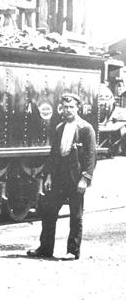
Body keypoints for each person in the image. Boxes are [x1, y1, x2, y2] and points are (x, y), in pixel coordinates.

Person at [27, 92, 96, 260]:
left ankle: (73, 251)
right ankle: (45, 248)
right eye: (65, 107)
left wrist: (85, 179)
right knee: (49, 212)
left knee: (76, 216)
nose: (68, 110)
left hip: (76, 178)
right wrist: (49, 176)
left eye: (71, 107)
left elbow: (91, 156)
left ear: (77, 108)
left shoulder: (86, 129)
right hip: (59, 177)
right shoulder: (59, 128)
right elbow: (54, 155)